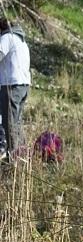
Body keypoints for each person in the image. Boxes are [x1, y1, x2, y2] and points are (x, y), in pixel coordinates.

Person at [0, 16, 31, 160]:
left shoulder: (7, 37)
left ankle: (15, 159)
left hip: (12, 85)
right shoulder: (21, 39)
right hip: (24, 85)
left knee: (9, 123)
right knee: (16, 122)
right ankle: (21, 155)